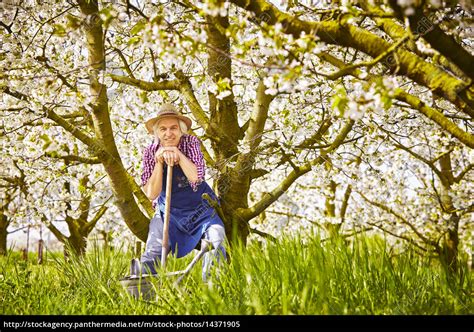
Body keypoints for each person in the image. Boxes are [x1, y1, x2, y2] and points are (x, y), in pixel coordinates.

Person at [136, 103, 226, 282]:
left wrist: (177, 153)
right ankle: (144, 292)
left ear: (181, 130)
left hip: (201, 211)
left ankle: (213, 290)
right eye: (163, 129)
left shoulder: (191, 143)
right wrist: (159, 162)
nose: (168, 133)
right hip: (168, 213)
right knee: (153, 249)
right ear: (156, 133)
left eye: (173, 128)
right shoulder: (149, 152)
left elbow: (195, 178)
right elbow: (151, 194)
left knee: (217, 238)